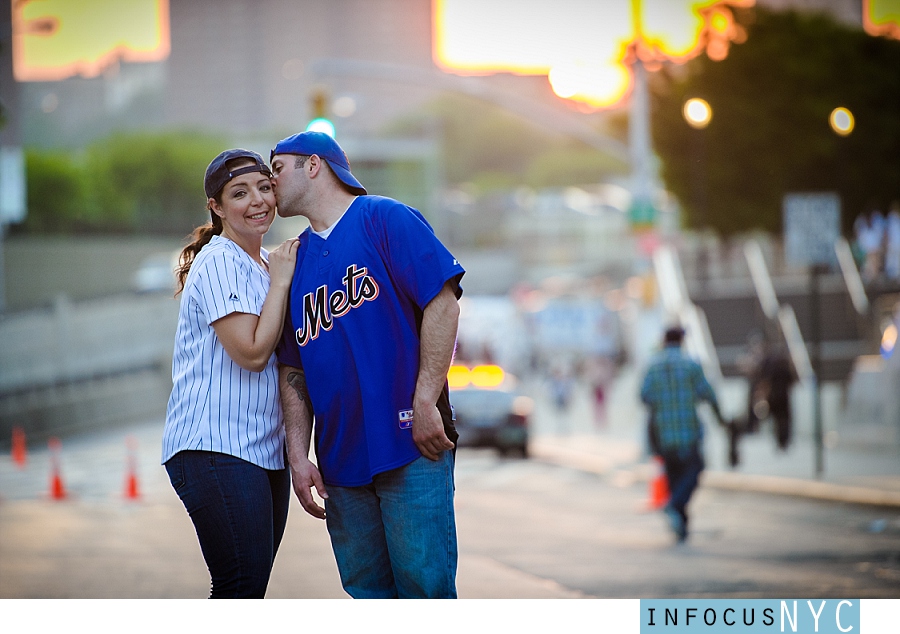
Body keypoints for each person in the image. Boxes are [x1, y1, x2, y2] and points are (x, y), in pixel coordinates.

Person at [270, 131, 465, 598]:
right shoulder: (292, 261)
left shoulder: (384, 217)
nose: (269, 182)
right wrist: (299, 454)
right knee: (367, 596)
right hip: (341, 461)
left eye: (277, 169)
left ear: (313, 165)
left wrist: (424, 400)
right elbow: (291, 369)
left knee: (425, 593)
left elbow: (444, 304)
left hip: (411, 443)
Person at [160, 149, 299, 598]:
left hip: (260, 451)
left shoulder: (259, 265)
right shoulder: (221, 260)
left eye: (263, 186)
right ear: (217, 209)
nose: (257, 200)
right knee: (239, 587)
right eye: (239, 193)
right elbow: (253, 353)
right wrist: (282, 281)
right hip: (214, 447)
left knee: (247, 590)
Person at [640, 326, 724, 543]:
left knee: (675, 477)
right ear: (682, 341)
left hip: (663, 434)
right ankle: (675, 506)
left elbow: (643, 396)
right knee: (694, 470)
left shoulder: (653, 366)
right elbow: (708, 394)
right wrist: (721, 419)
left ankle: (681, 524)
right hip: (688, 432)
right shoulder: (691, 365)